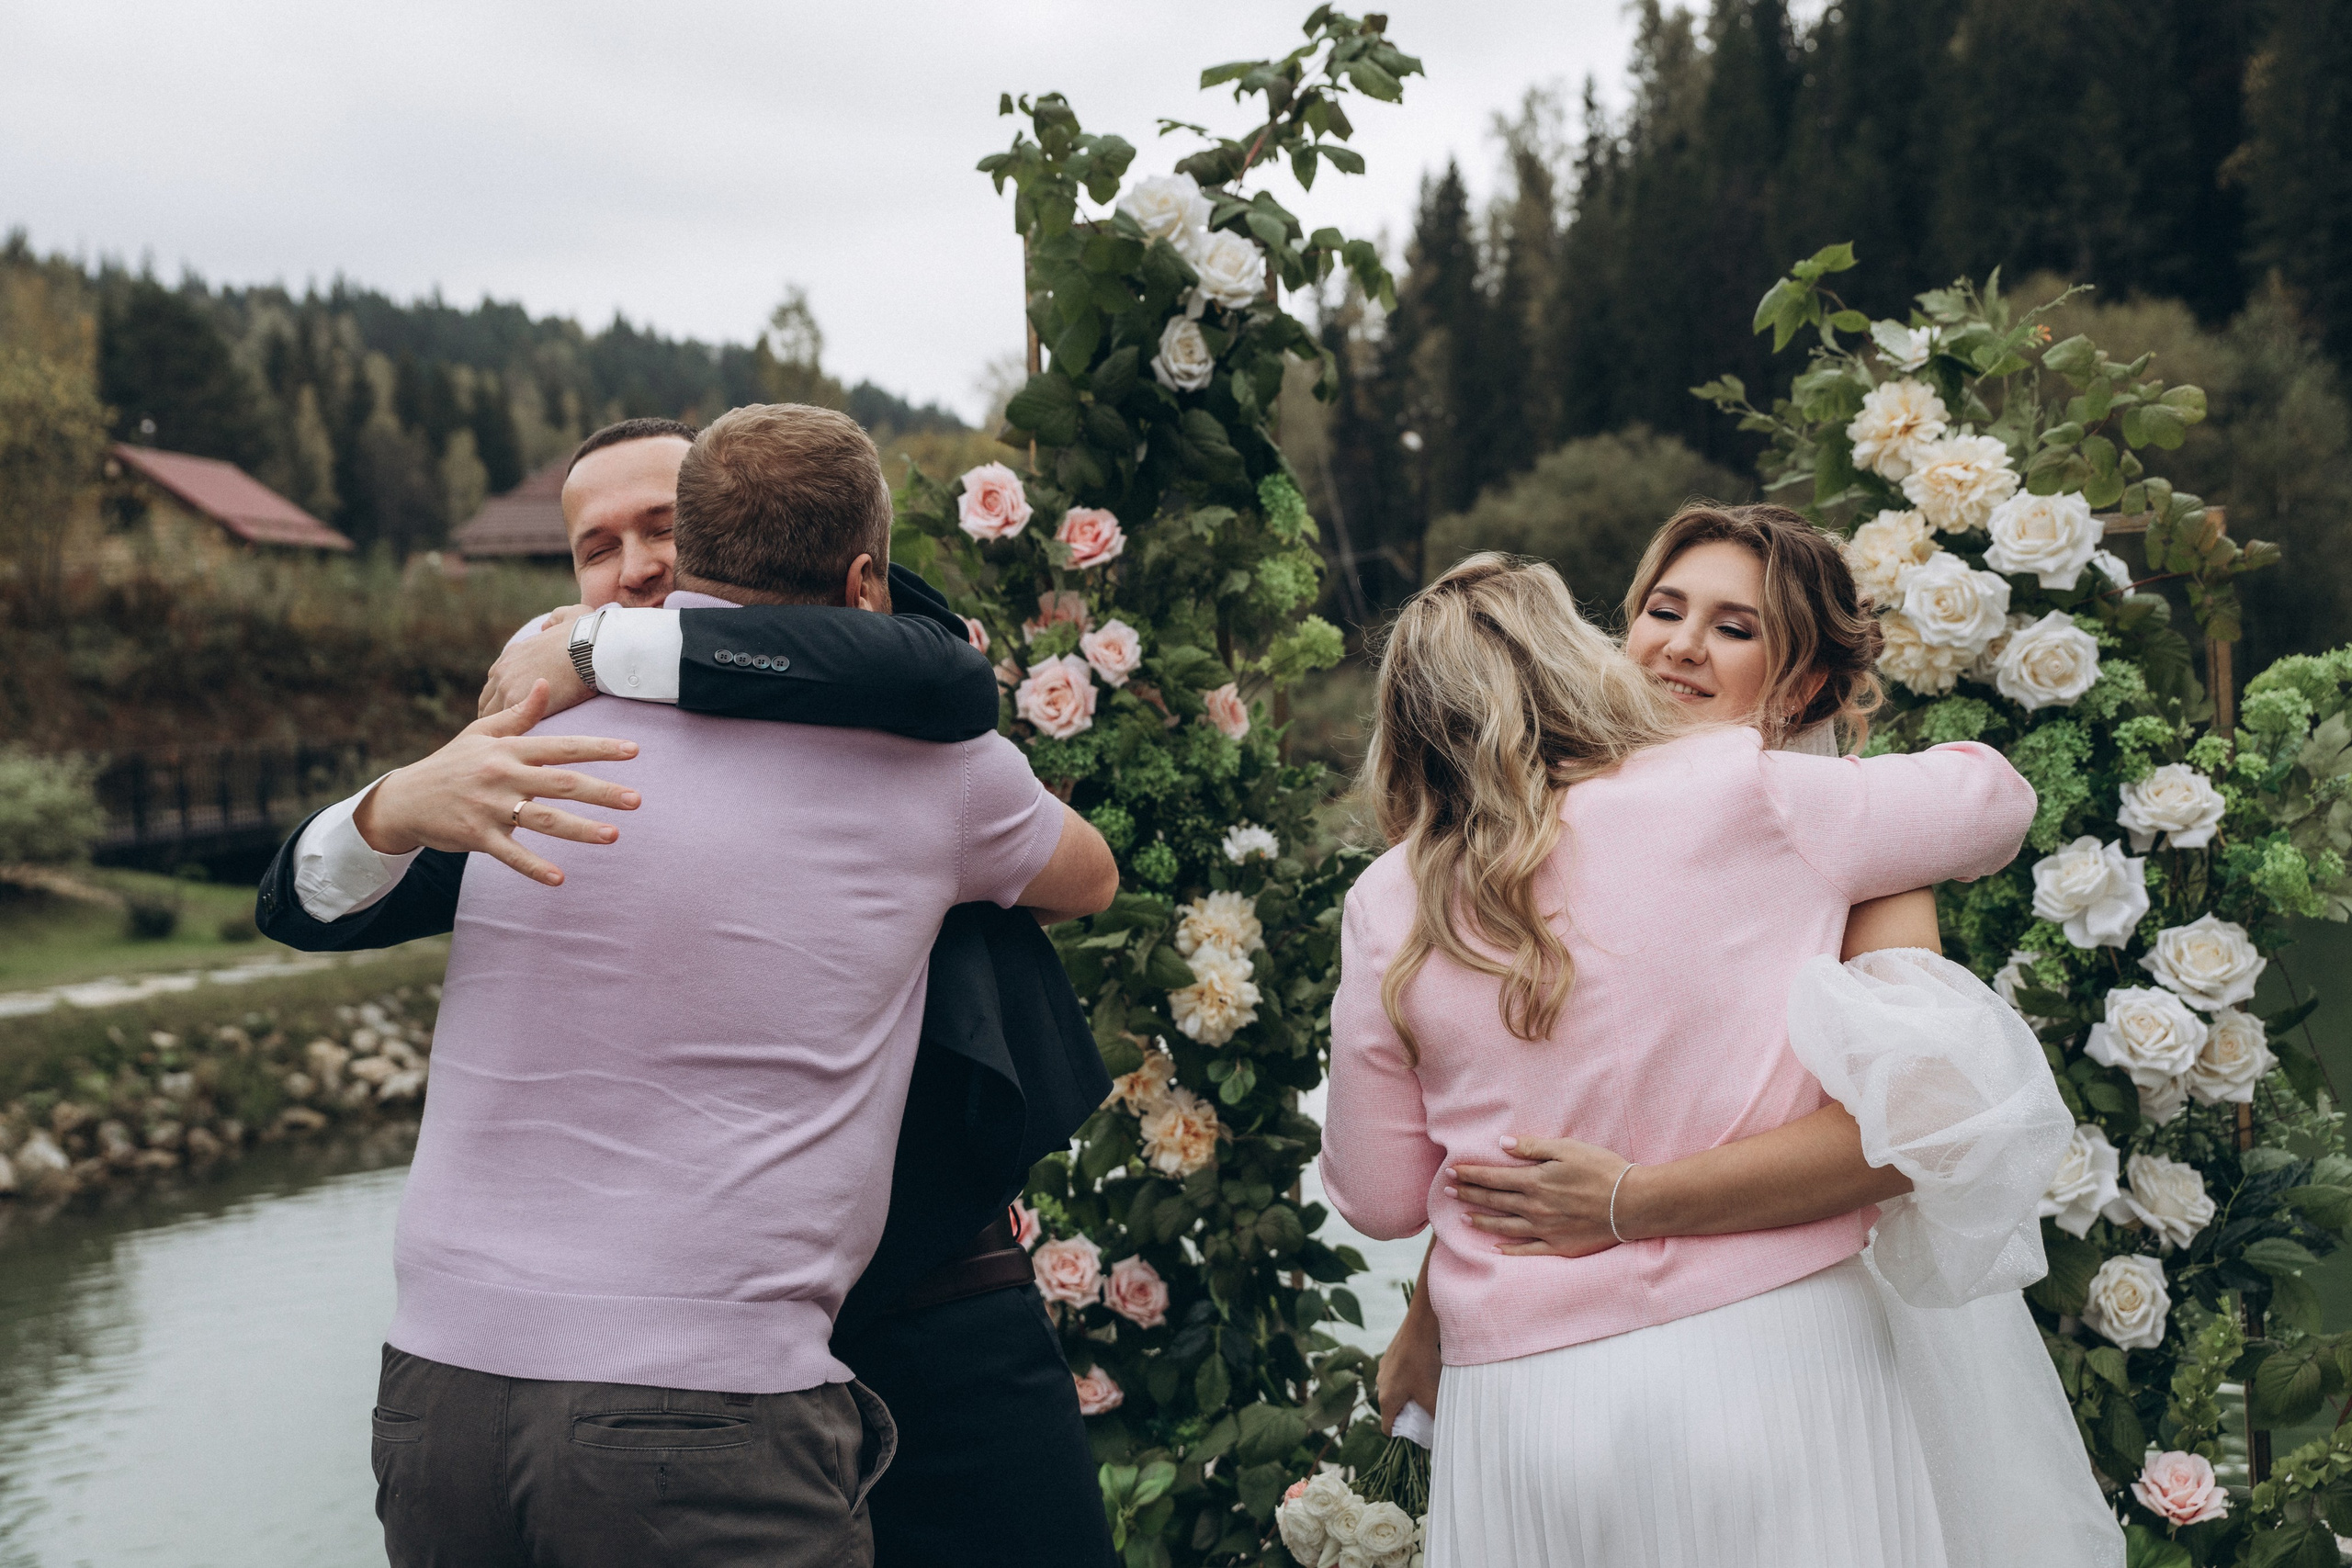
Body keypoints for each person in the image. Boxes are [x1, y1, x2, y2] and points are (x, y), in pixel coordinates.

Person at [259, 416, 1121, 1568]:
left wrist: (602, 649)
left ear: (718, 533)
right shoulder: (537, 750)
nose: (633, 569)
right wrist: (389, 807)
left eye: (663, 527)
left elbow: (930, 662)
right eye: (596, 549)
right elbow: (309, 902)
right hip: (690, 1383)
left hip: (927, 1299)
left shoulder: (905, 708)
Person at [1366, 507, 2119, 1568]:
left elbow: (1910, 1135)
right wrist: (1430, 1312)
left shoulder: (1858, 851)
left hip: (1779, 1346)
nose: (1680, 646)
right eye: (1661, 611)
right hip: (1560, 1378)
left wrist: (1630, 1202)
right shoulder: (1528, 836)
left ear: (1802, 683)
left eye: (1733, 628)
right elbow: (1506, 1116)